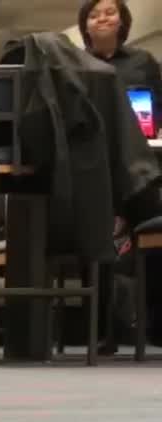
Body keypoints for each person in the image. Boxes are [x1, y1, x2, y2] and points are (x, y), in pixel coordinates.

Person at [77, 0, 162, 352]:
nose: (102, 19)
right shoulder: (75, 65)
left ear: (123, 21)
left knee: (156, 231)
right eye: (94, 14)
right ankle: (100, 331)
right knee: (95, 241)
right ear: (85, 25)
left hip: (140, 165)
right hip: (94, 169)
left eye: (109, 12)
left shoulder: (143, 63)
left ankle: (156, 325)